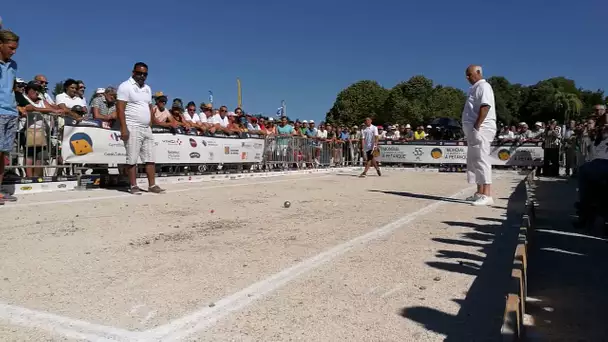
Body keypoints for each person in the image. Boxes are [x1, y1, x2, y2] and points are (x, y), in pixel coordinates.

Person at [116, 62, 164, 195]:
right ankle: (133, 185)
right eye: (139, 73)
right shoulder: (125, 86)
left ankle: (152, 185)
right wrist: (124, 128)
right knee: (132, 158)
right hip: (132, 126)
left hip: (146, 128)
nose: (142, 76)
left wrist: (150, 123)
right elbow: (120, 108)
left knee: (150, 157)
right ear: (133, 72)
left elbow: (149, 107)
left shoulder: (148, 88)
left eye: (145, 74)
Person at [462, 65, 496, 206]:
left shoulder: (484, 86)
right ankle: (479, 192)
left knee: (482, 159)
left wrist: (477, 125)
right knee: (474, 161)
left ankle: (487, 194)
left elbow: (485, 106)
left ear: (478, 73)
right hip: (474, 130)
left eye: (469, 74)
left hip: (481, 129)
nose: (467, 77)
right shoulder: (474, 88)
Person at [0, 30, 19, 203]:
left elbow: (12, 88)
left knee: (2, 155)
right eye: (11, 48)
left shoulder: (13, 65)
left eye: (15, 49)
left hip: (11, 112)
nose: (13, 51)